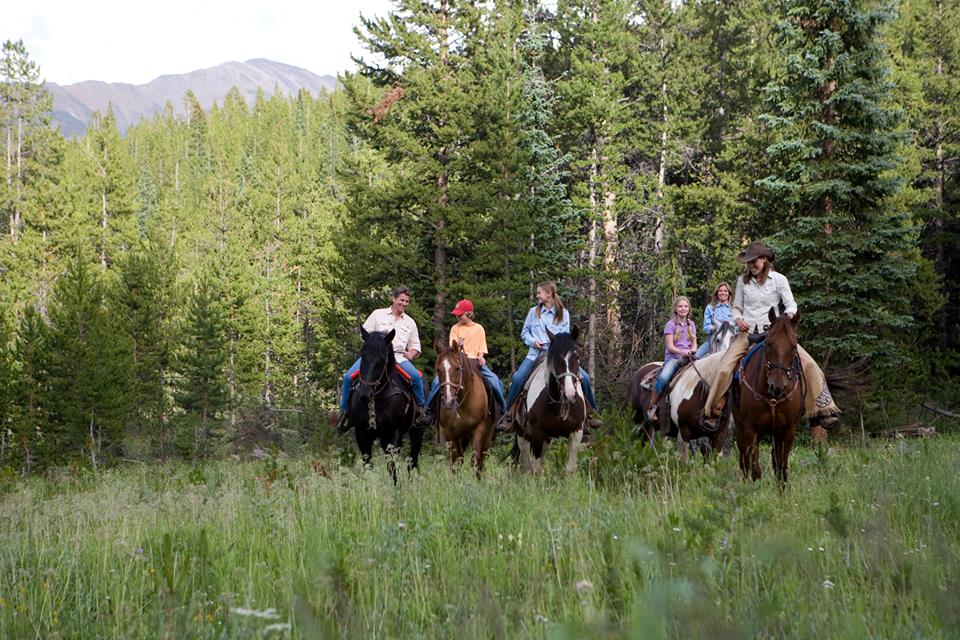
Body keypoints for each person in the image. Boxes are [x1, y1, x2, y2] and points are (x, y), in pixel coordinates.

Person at [701, 242, 840, 431]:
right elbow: (736, 307)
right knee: (725, 369)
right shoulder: (743, 281)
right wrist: (738, 319)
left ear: (764, 260)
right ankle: (713, 412)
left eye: (754, 262)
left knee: (809, 364)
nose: (751, 266)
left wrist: (789, 317)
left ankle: (823, 408)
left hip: (773, 334)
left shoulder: (779, 280)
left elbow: (791, 304)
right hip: (747, 334)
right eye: (748, 263)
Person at [496, 281, 602, 432]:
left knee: (583, 378)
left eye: (539, 293)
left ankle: (590, 414)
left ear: (549, 294)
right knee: (518, 378)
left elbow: (565, 338)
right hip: (535, 354)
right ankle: (509, 415)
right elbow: (524, 332)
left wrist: (554, 346)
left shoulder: (563, 314)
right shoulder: (533, 312)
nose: (537, 295)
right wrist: (533, 341)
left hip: (556, 356)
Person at [335, 286, 427, 432]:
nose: (404, 304)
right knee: (347, 378)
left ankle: (422, 411)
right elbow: (363, 334)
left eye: (406, 301)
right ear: (394, 299)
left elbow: (416, 346)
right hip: (375, 356)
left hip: (398, 356)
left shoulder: (410, 323)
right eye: (401, 300)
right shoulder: (378, 315)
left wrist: (411, 354)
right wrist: (376, 339)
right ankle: (344, 413)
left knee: (416, 377)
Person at [420, 299, 506, 424]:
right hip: (459, 361)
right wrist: (458, 345)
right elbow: (452, 349)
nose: (458, 317)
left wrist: (481, 357)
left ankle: (503, 411)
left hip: (475, 362)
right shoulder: (455, 328)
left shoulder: (479, 328)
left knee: (495, 381)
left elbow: (482, 347)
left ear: (469, 314)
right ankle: (428, 411)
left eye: (461, 315)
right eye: (457, 315)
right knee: (437, 382)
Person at [646, 296, 697, 422]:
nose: (683, 309)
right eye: (680, 306)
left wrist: (693, 350)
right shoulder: (670, 325)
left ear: (689, 308)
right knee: (663, 378)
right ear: (675, 309)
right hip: (674, 358)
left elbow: (694, 343)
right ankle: (651, 407)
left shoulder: (692, 324)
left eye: (685, 306)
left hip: (690, 357)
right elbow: (670, 346)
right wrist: (683, 352)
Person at [694, 281, 734, 359]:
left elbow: (737, 325)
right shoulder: (710, 307)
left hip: (731, 337)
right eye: (720, 291)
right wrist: (712, 328)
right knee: (696, 356)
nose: (723, 293)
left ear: (729, 293)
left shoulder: (733, 308)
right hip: (714, 337)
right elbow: (706, 326)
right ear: (717, 293)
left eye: (725, 291)